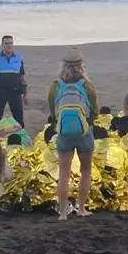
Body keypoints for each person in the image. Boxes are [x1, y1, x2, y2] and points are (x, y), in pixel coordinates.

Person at [48, 48, 98, 220]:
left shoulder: (56, 85)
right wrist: (87, 123)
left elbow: (52, 111)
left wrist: (60, 125)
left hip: (63, 133)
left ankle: (63, 212)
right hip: (84, 133)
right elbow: (95, 110)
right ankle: (81, 208)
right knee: (85, 171)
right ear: (81, 65)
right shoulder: (86, 85)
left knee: (64, 172)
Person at [0, 35, 28, 128]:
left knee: (19, 118)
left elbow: (22, 77)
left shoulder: (19, 58)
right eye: (6, 43)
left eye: (11, 43)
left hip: (15, 92)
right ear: (2, 44)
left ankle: (21, 139)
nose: (9, 45)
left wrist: (25, 94)